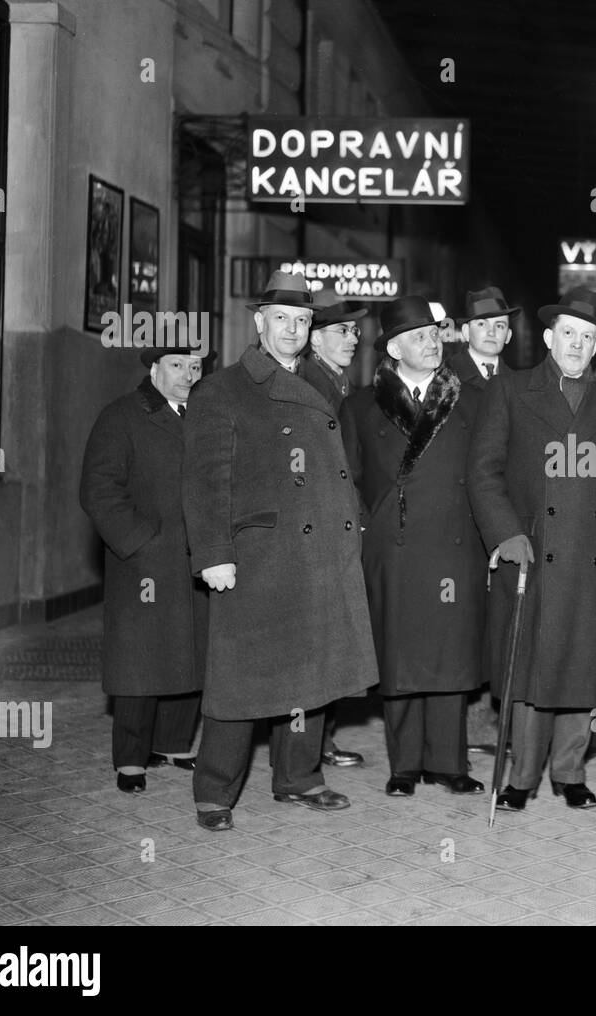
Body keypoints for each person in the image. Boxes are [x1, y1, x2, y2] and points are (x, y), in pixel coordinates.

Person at [182, 270, 378, 832]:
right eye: (281, 319)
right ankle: (215, 790)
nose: (291, 329)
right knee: (239, 678)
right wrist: (213, 554)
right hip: (257, 555)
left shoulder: (321, 384)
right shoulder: (223, 390)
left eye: (301, 320)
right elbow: (203, 482)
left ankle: (299, 777)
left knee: (311, 676)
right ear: (258, 321)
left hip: (317, 556)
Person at [468, 287, 596, 812]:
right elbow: (483, 474)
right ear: (550, 338)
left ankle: (570, 772)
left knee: (583, 668)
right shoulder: (511, 391)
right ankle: (521, 777)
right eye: (568, 332)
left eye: (587, 336)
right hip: (532, 554)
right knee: (529, 670)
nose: (577, 342)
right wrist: (505, 534)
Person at [339, 296, 487, 798]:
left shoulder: (471, 400)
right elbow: (348, 480)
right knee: (399, 655)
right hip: (393, 547)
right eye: (420, 336)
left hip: (454, 544)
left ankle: (449, 763)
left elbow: (489, 475)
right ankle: (403, 766)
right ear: (395, 347)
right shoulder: (360, 405)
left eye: (435, 334)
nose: (432, 343)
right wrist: (365, 534)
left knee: (450, 654)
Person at [79, 348, 206, 793]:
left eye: (195, 366)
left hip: (197, 557)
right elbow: (98, 490)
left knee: (191, 651)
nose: (187, 374)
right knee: (140, 661)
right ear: (153, 369)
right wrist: (140, 542)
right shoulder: (121, 416)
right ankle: (131, 757)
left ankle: (174, 742)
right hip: (145, 563)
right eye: (177, 365)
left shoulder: (206, 414)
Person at [301, 286, 368, 769]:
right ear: (315, 339)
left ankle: (320, 742)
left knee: (332, 640)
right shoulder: (312, 384)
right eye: (341, 331)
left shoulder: (335, 381)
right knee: (318, 643)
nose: (352, 339)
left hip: (339, 526)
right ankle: (308, 750)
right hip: (320, 532)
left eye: (354, 331)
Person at [450, 286, 519, 389]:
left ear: (508, 336)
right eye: (482, 324)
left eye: (499, 326)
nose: (491, 332)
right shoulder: (445, 376)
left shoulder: (517, 384)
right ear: (466, 331)